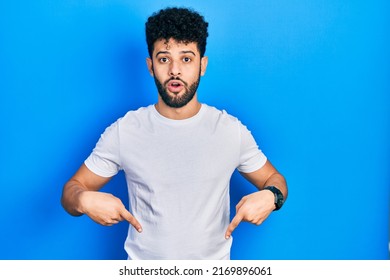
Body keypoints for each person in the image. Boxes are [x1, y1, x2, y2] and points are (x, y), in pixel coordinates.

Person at [61, 7, 288, 260]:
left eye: (187, 59)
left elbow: (275, 179)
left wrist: (272, 196)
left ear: (203, 65)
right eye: (164, 59)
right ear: (150, 66)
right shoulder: (124, 131)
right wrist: (82, 200)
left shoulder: (230, 131)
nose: (175, 71)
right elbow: (71, 190)